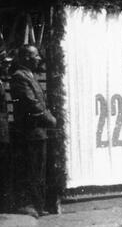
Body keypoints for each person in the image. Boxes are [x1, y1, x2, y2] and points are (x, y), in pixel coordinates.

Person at [10, 45, 56, 218]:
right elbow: (31, 104)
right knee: (31, 170)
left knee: (38, 171)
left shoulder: (30, 76)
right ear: (26, 58)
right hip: (29, 132)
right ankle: (31, 205)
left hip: (38, 132)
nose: (39, 59)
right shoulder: (19, 77)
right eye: (35, 56)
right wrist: (49, 118)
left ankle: (38, 205)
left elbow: (40, 103)